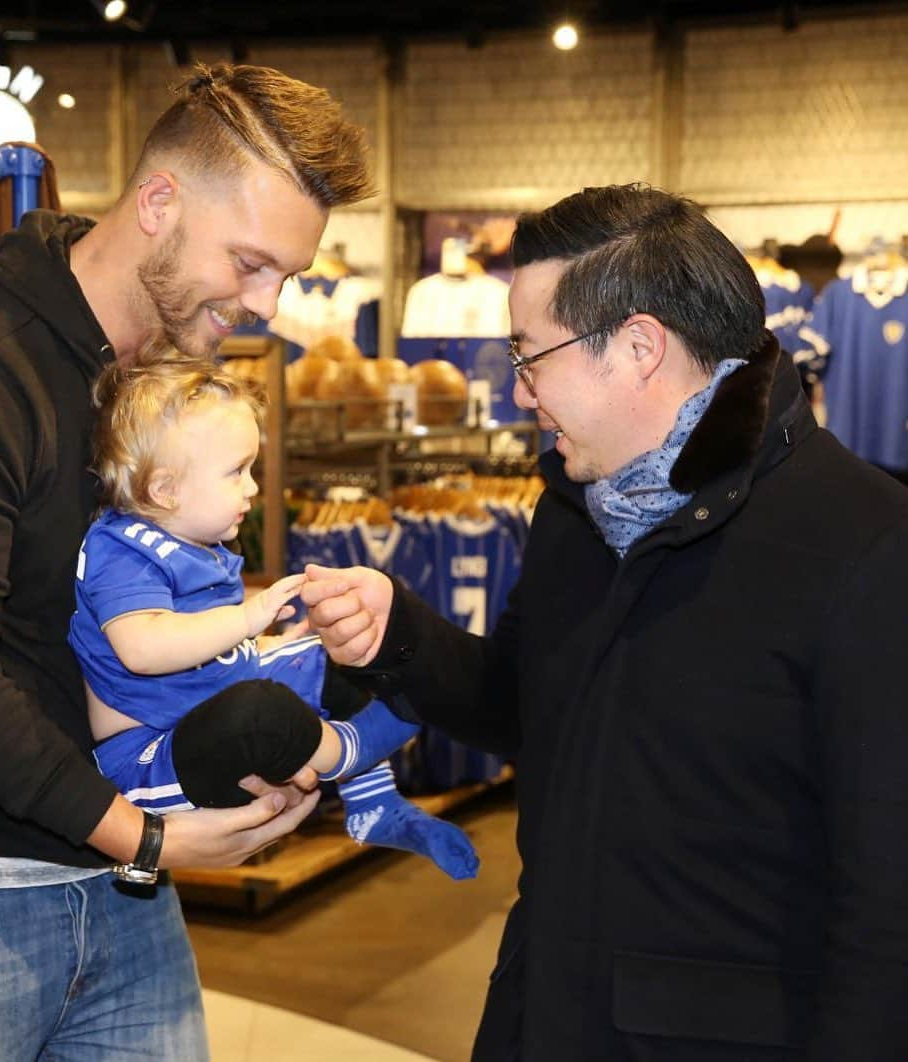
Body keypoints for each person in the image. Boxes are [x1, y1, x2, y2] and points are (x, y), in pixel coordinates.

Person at [301, 184, 908, 1061]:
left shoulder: (864, 545)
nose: (518, 394)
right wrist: (400, 631)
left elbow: (888, 911)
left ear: (637, 347)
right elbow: (520, 708)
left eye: (529, 357)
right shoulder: (577, 513)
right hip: (539, 1013)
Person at [0, 61, 373, 1060]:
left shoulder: (151, 394)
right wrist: (148, 837)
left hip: (118, 888)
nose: (264, 301)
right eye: (251, 262)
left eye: (286, 277)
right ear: (159, 201)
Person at [70, 352, 478, 879]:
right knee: (260, 712)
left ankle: (375, 804)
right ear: (165, 489)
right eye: (236, 472)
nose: (254, 488)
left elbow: (207, 660)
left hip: (209, 705)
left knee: (351, 655)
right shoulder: (123, 551)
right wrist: (248, 618)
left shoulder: (193, 543)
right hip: (152, 756)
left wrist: (276, 642)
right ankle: (344, 755)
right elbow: (143, 650)